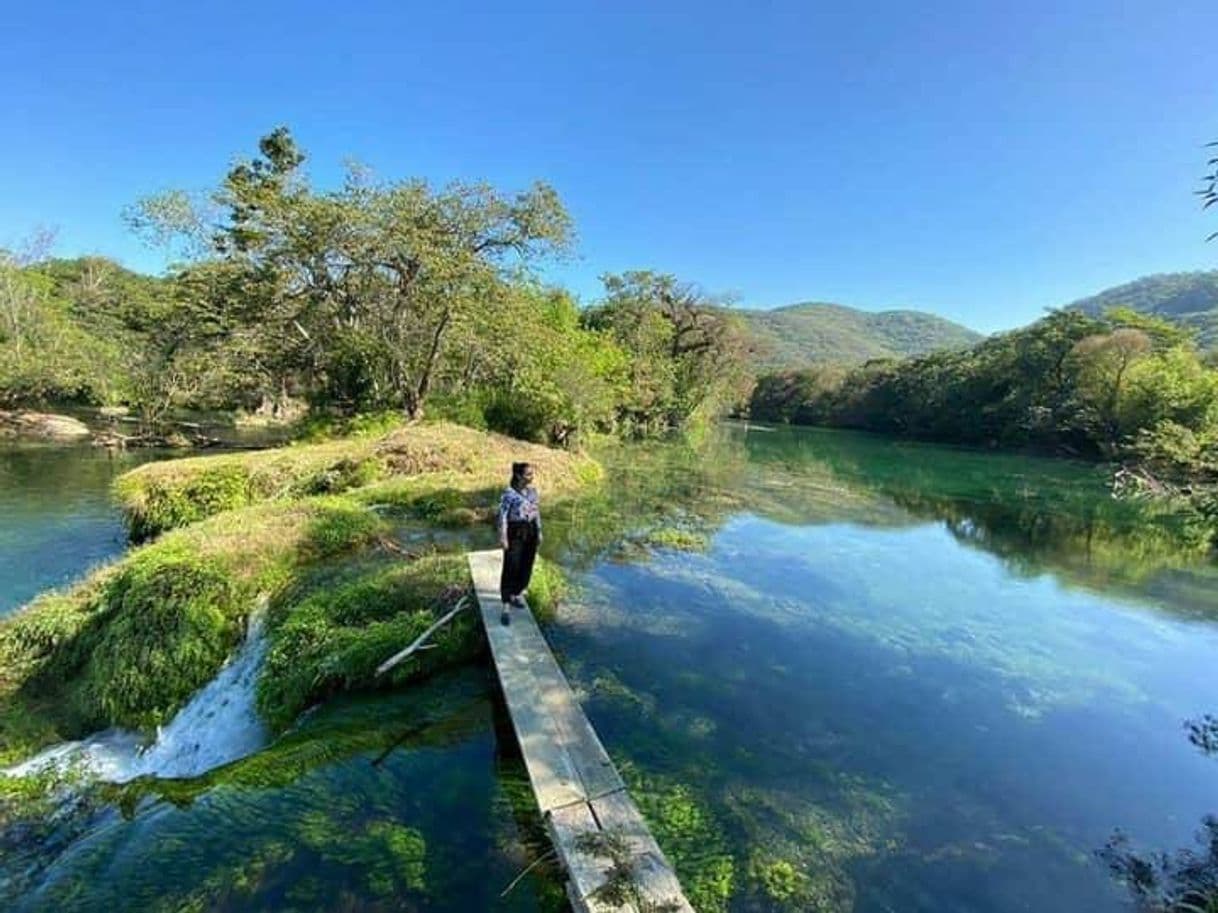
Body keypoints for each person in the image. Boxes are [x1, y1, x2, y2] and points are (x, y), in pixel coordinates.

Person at [497, 461, 542, 623]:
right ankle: (506, 605)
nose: (532, 477)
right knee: (511, 566)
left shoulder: (533, 492)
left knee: (526, 564)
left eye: (532, 473)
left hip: (531, 531)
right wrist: (503, 537)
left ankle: (517, 594)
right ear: (518, 475)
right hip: (515, 532)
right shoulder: (509, 493)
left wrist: (539, 532)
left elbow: (537, 513)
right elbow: (502, 516)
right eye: (528, 474)